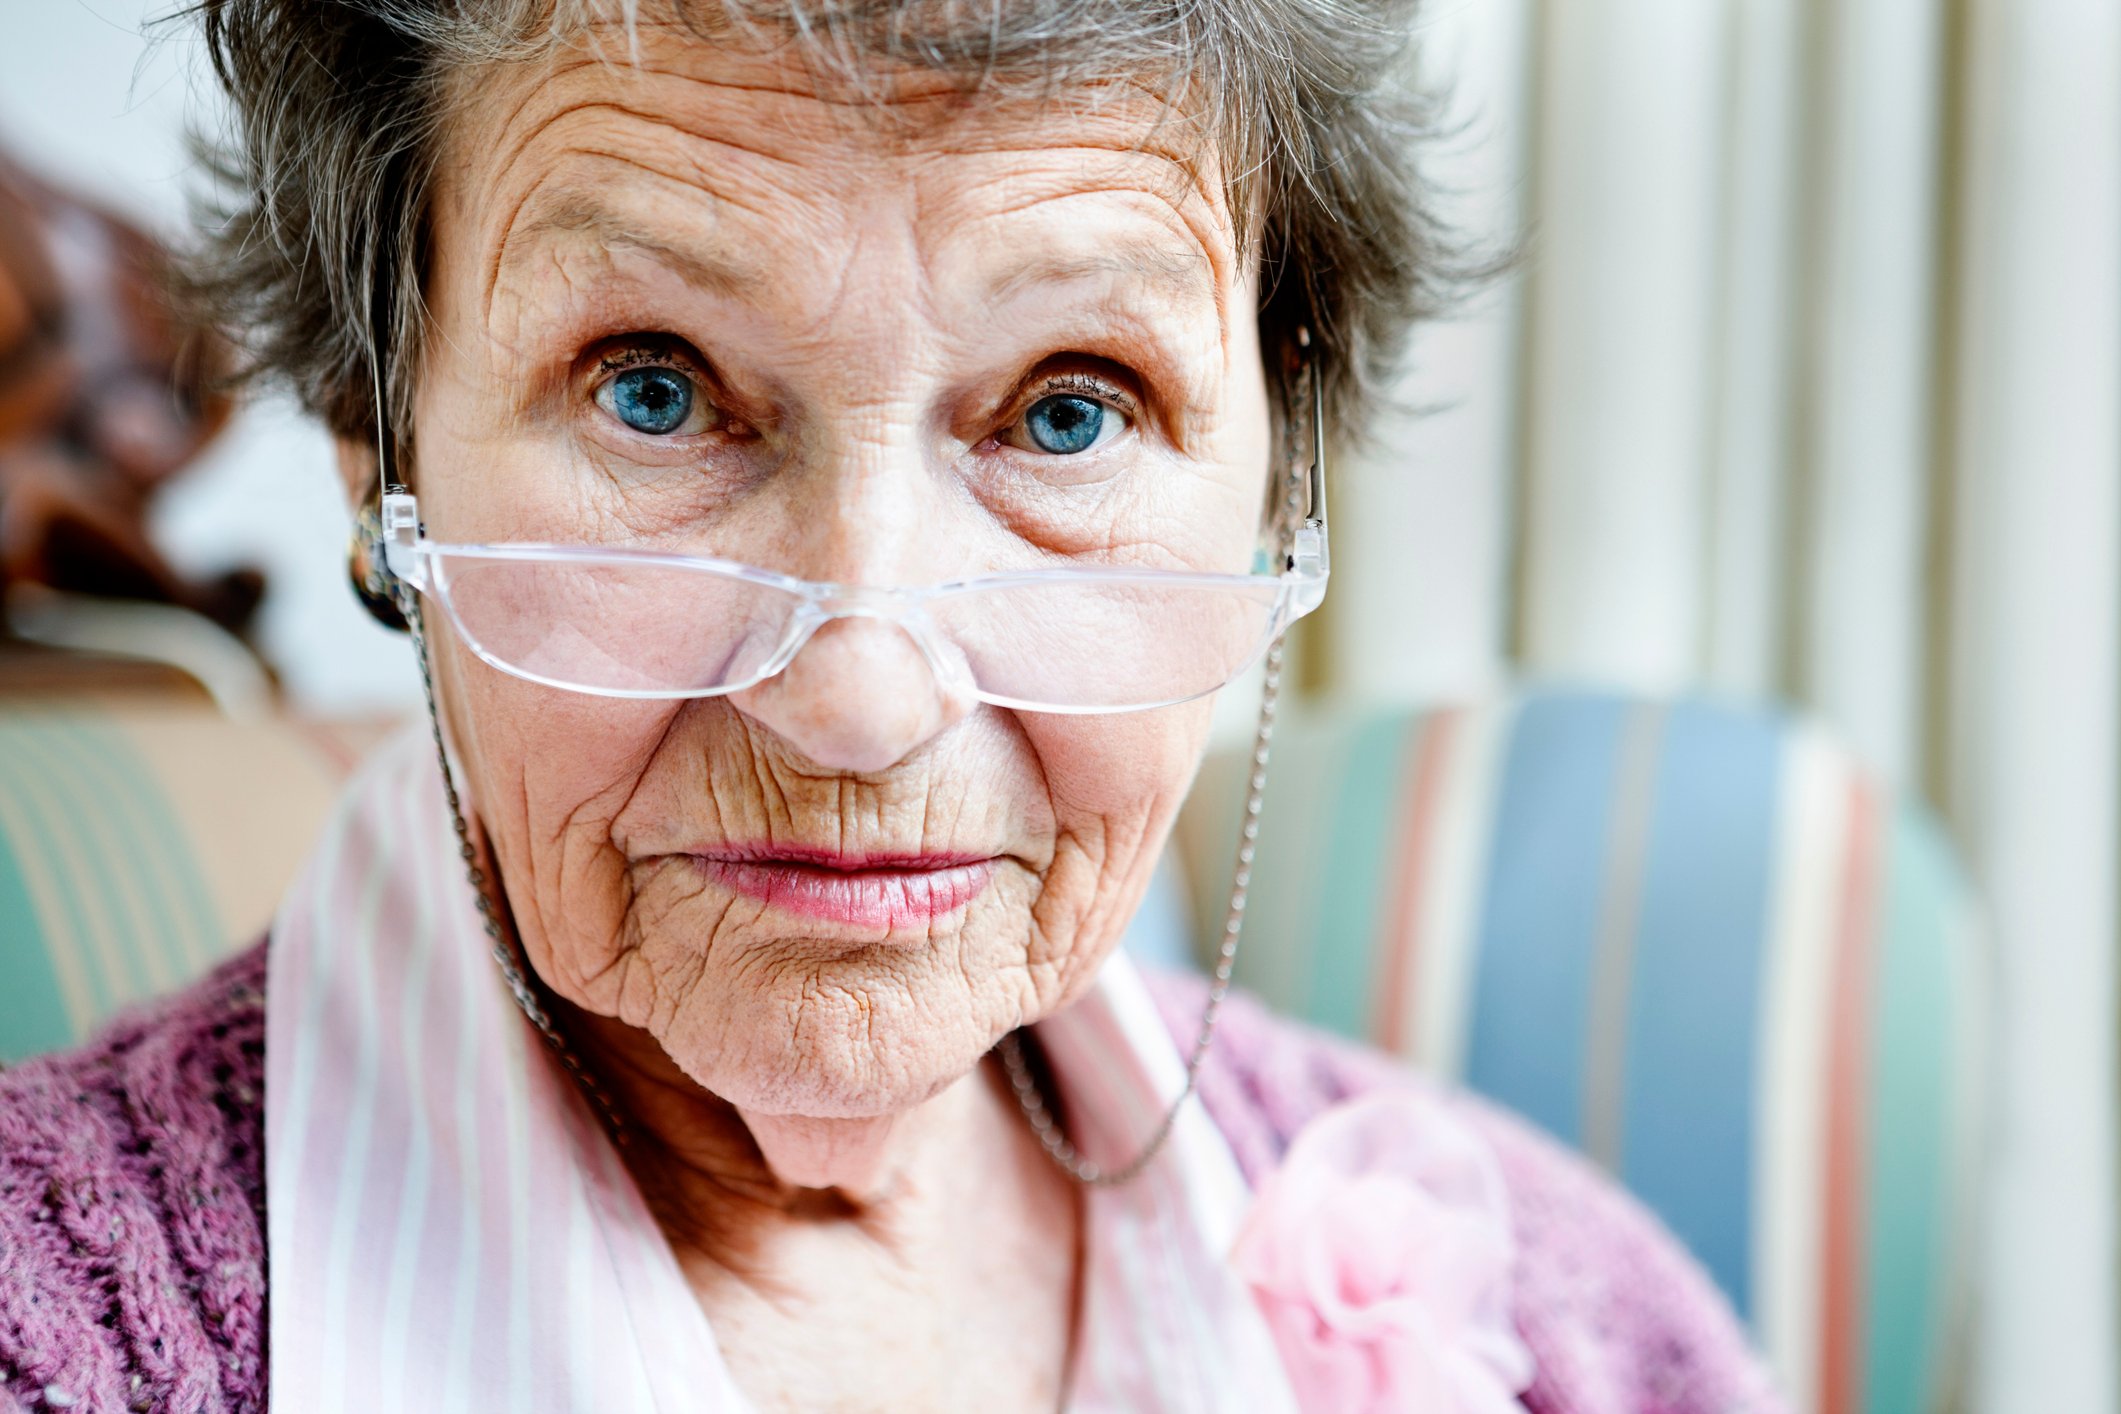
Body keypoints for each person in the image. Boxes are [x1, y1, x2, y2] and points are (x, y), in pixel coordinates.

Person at [0, 3, 1784, 1410]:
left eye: (1067, 407)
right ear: (375, 438)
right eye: (652, 391)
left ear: (1276, 475)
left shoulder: (1568, 1324)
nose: (856, 695)